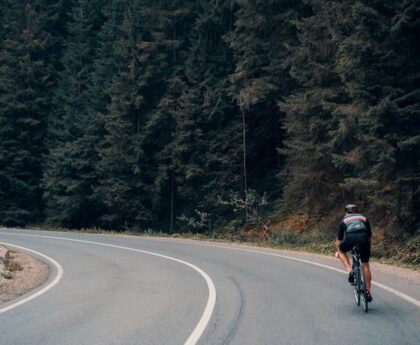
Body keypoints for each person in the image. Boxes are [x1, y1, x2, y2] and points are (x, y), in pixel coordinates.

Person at [336, 204, 373, 302]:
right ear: (357, 211)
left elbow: (339, 240)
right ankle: (368, 291)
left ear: (346, 212)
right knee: (365, 266)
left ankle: (350, 270)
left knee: (341, 251)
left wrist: (338, 251)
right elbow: (369, 237)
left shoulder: (343, 221)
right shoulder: (364, 219)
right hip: (364, 239)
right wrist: (367, 248)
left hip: (350, 238)